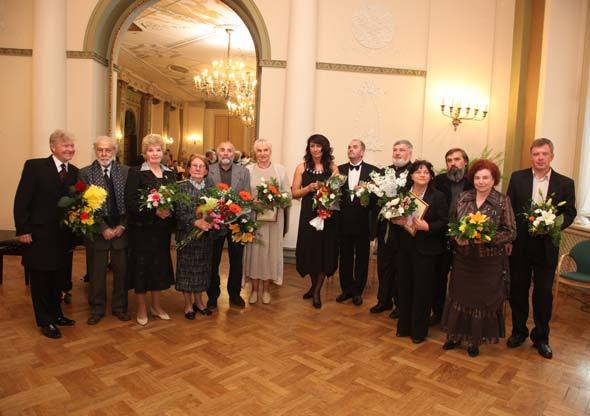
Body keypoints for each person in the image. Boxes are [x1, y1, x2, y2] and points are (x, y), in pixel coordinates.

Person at [506, 138, 576, 359]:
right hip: (520, 246)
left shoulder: (565, 183)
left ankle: (541, 337)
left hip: (547, 247)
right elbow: (508, 209)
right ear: (531, 156)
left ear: (551, 156)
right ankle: (519, 331)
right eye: (536, 154)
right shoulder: (518, 178)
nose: (540, 158)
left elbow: (570, 212)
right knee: (518, 290)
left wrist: (554, 225)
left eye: (544, 154)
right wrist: (508, 238)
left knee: (544, 293)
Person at [441, 159, 516, 357]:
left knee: (481, 301)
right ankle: (455, 336)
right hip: (463, 259)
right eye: (477, 177)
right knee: (459, 297)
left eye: (485, 178)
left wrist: (487, 238)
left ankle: (475, 341)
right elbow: (453, 224)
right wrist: (457, 237)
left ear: (493, 180)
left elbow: (510, 232)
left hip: (488, 262)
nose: (481, 181)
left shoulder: (502, 201)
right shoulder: (463, 197)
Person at [14, 129, 78, 339]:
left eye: (72, 146)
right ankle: (45, 321)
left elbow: (76, 203)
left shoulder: (75, 172)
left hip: (63, 237)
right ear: (53, 147)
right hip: (38, 234)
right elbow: (22, 200)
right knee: (41, 279)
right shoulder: (35, 167)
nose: (70, 149)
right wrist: (23, 229)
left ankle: (57, 314)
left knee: (58, 277)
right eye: (65, 146)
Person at [392, 160, 448, 343]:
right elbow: (391, 216)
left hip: (427, 251)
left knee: (422, 290)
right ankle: (404, 326)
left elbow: (444, 223)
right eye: (418, 172)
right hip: (404, 249)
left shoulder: (438, 196)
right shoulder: (403, 194)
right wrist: (395, 220)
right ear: (411, 175)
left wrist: (428, 226)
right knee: (404, 287)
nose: (422, 175)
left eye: (426, 172)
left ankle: (418, 331)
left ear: (431, 176)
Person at [79, 136, 130, 325]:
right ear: (95, 151)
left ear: (114, 151)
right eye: (100, 149)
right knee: (97, 272)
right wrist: (103, 228)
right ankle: (97, 308)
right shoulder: (84, 173)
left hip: (121, 229)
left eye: (108, 150)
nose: (104, 153)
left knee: (121, 271)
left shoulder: (126, 172)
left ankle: (120, 307)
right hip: (97, 231)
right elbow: (84, 205)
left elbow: (131, 202)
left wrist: (122, 225)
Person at [125, 134, 176, 325]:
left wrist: (169, 211)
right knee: (142, 268)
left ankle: (156, 306)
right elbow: (130, 201)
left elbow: (175, 199)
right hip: (142, 230)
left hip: (162, 231)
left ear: (163, 152)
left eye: (158, 150)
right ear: (144, 153)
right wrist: (154, 211)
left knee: (158, 268)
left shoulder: (170, 173)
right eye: (150, 150)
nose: (155, 153)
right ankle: (141, 308)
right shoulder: (136, 172)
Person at [292, 134, 339, 309]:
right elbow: (294, 193)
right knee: (310, 250)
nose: (315, 149)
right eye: (312, 146)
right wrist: (308, 188)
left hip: (327, 215)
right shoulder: (301, 167)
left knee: (324, 250)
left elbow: (337, 191)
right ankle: (313, 286)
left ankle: (317, 291)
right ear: (309, 148)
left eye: (318, 146)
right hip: (308, 215)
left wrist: (326, 192)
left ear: (324, 148)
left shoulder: (333, 167)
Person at [370, 139, 413, 318]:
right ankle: (383, 300)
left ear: (409, 153)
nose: (397, 153)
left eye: (401, 150)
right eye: (395, 150)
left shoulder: (415, 172)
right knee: (384, 265)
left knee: (400, 268)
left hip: (404, 228)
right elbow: (375, 201)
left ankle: (400, 304)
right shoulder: (384, 172)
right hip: (385, 227)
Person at [244, 140, 290, 304]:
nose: (263, 153)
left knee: (270, 254)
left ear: (270, 152)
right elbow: (243, 194)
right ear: (255, 152)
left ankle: (266, 290)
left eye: (266, 150)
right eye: (259, 150)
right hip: (254, 219)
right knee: (254, 255)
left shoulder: (280, 170)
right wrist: (252, 202)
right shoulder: (248, 170)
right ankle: (254, 290)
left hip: (274, 222)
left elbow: (288, 194)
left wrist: (276, 199)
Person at [431, 148, 473, 325]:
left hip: (466, 238)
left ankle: (461, 317)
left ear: (465, 162)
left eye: (457, 159)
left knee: (463, 279)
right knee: (438, 277)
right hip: (441, 236)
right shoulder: (438, 181)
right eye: (449, 160)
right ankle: (439, 313)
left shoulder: (475, 181)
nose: (453, 163)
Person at [207, 141, 251, 309]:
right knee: (213, 261)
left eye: (229, 151)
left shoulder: (243, 171)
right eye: (222, 150)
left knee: (237, 261)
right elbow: (205, 196)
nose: (226, 153)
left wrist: (241, 217)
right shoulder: (208, 169)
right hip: (215, 222)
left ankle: (234, 294)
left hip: (236, 223)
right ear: (217, 153)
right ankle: (212, 296)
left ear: (234, 154)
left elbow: (247, 196)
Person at [336, 139, 379, 306]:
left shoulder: (373, 171)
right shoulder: (339, 170)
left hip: (363, 223)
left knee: (362, 258)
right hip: (343, 221)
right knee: (345, 257)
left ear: (362, 152)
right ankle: (346, 289)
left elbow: (377, 200)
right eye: (349, 147)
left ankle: (357, 291)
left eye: (354, 147)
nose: (350, 149)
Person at [175, 154, 214, 320]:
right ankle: (188, 305)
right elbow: (178, 212)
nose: (198, 169)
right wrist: (196, 222)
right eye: (194, 165)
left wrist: (211, 221)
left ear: (206, 170)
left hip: (205, 237)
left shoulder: (211, 189)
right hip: (187, 236)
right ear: (189, 168)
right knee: (187, 271)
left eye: (201, 166)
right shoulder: (180, 187)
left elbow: (216, 211)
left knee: (202, 270)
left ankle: (199, 302)